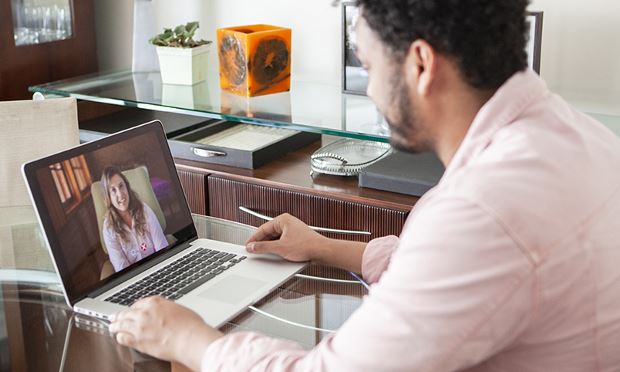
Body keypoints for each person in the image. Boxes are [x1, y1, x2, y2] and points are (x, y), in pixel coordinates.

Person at [109, 0, 620, 370]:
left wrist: (193, 342)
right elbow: (466, 270)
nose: (371, 89)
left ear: (420, 65)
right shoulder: (574, 134)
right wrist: (325, 248)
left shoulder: (483, 209)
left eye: (370, 66)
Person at [101, 166, 168, 272]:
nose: (120, 194)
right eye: (113, 190)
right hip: (134, 278)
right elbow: (122, 268)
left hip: (158, 268)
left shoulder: (144, 209)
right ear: (108, 197)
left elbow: (161, 247)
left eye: (121, 186)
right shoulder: (108, 229)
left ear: (127, 187)